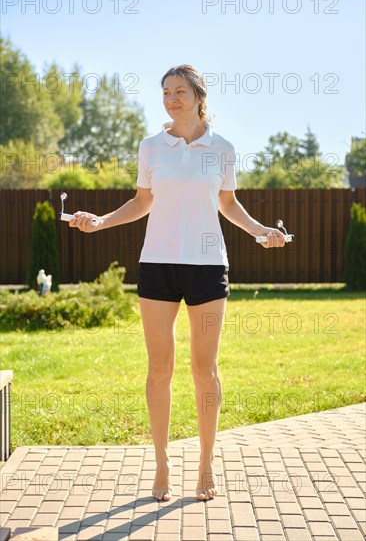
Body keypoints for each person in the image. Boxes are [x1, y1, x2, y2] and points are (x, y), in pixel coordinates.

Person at [69, 65, 286, 502]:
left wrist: (262, 231)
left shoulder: (222, 148)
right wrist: (102, 221)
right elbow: (142, 201)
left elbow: (228, 203)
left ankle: (206, 463)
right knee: (159, 369)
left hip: (207, 268)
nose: (172, 99)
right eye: (166, 91)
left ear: (198, 95)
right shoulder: (151, 147)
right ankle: (162, 463)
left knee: (204, 370)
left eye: (180, 91)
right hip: (158, 266)